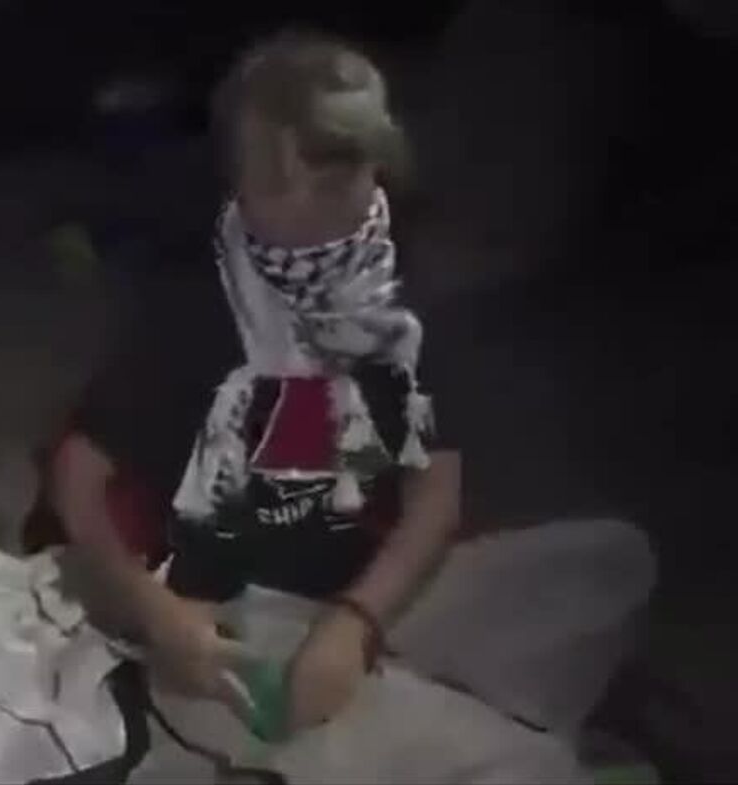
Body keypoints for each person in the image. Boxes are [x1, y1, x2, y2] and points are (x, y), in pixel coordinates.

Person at [38, 29, 656, 781]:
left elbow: (435, 500)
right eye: (274, 188)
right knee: (533, 765)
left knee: (612, 561)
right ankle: (456, 723)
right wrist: (151, 609)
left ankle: (425, 706)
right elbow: (77, 474)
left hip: (368, 604)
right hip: (235, 631)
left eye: (330, 186)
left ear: (380, 174)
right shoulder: (199, 309)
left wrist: (356, 623)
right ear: (237, 188)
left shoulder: (404, 303)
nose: (304, 217)